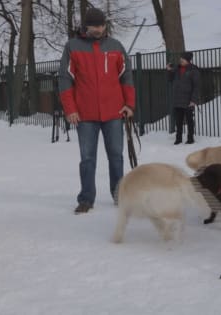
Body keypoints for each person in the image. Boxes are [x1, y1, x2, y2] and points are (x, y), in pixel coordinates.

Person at [59, 8, 135, 214]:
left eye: (102, 25)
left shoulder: (116, 46)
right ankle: (86, 198)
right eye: (95, 26)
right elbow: (65, 80)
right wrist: (70, 109)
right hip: (85, 115)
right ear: (86, 26)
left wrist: (129, 104)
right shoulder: (72, 47)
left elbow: (126, 76)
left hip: (114, 112)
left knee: (116, 156)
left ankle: (119, 194)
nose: (99, 29)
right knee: (87, 158)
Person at [166, 52, 200, 145]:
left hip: (188, 99)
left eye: (183, 59)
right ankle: (178, 138)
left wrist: (193, 100)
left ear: (188, 60)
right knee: (178, 120)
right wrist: (169, 70)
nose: (181, 60)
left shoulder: (193, 70)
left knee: (189, 120)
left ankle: (190, 138)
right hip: (177, 98)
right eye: (181, 58)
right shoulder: (176, 69)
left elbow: (196, 86)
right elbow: (170, 79)